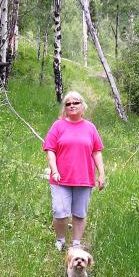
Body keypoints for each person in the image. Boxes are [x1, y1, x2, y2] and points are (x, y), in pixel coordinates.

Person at [43, 90, 105, 251]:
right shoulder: (58, 126)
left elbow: (97, 152)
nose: (72, 106)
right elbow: (50, 150)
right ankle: (60, 241)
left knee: (79, 213)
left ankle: (76, 243)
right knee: (60, 212)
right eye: (68, 103)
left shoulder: (90, 128)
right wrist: (54, 170)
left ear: (82, 105)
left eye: (75, 102)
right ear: (65, 108)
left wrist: (102, 174)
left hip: (84, 178)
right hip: (60, 179)